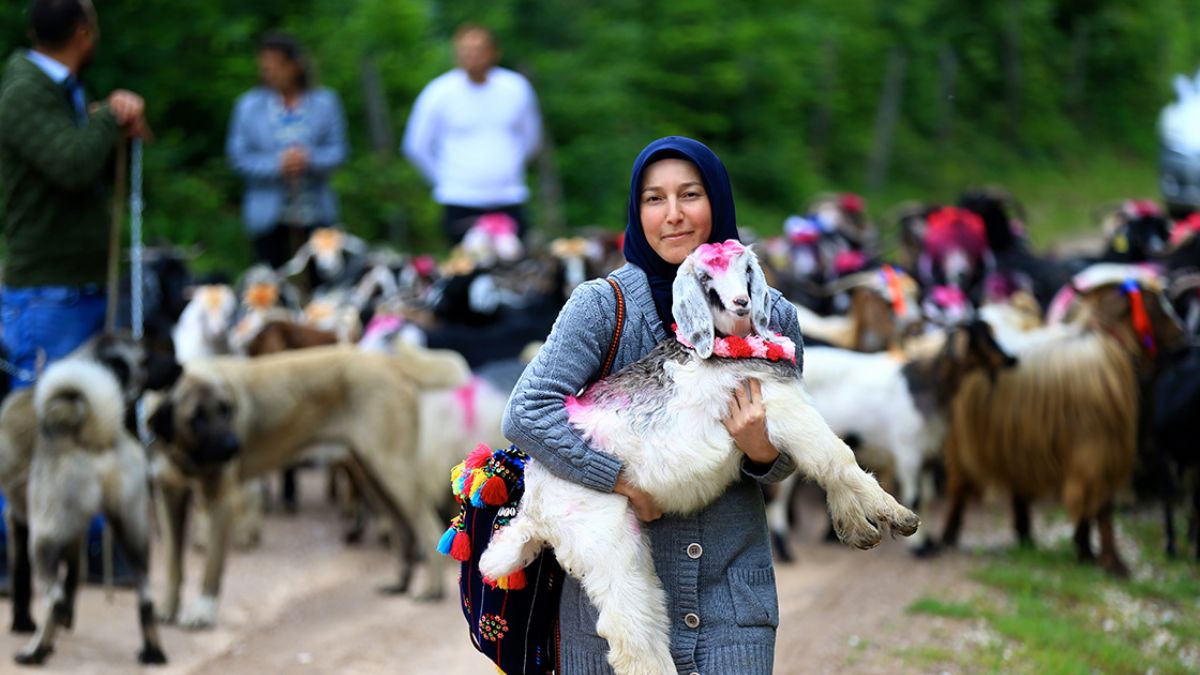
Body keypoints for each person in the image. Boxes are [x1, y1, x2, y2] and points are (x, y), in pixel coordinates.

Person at [503, 136, 802, 674]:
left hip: (730, 605)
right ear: (636, 211)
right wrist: (620, 479)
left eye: (690, 195)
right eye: (653, 199)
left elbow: (786, 459)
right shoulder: (603, 307)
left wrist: (760, 448)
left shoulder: (768, 312)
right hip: (614, 617)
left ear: (718, 202)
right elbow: (527, 412)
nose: (673, 216)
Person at [0, 0, 151, 584]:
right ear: (83, 33)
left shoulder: (58, 89)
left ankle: (80, 545)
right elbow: (68, 163)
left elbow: (77, 150)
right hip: (46, 290)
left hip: (74, 287)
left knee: (83, 420)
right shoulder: (23, 91)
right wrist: (109, 121)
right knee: (36, 423)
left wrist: (109, 121)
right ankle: (19, 548)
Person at [402, 24, 542, 245]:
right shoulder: (439, 92)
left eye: (478, 49)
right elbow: (416, 146)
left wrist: (509, 168)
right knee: (464, 270)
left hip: (509, 197)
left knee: (516, 270)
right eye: (465, 50)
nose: (472, 56)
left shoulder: (516, 88)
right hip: (460, 200)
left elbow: (532, 139)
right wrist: (446, 180)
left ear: (494, 52)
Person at [226, 31, 347, 270]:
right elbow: (238, 157)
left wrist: (308, 159)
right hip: (268, 215)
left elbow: (338, 151)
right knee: (272, 281)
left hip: (316, 213)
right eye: (264, 67)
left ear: (296, 66)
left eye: (276, 66)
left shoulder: (325, 102)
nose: (268, 72)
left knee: (323, 282)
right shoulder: (248, 106)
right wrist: (277, 164)